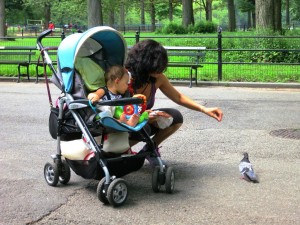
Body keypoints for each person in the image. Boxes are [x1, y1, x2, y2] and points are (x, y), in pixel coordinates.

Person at [125, 39, 223, 159]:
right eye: (156, 66)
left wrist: (204, 109)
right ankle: (118, 151)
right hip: (123, 126)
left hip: (142, 122)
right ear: (144, 63)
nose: (160, 70)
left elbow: (178, 97)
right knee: (144, 126)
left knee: (174, 117)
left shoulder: (158, 78)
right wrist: (142, 118)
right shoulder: (125, 77)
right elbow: (113, 111)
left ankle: (149, 151)